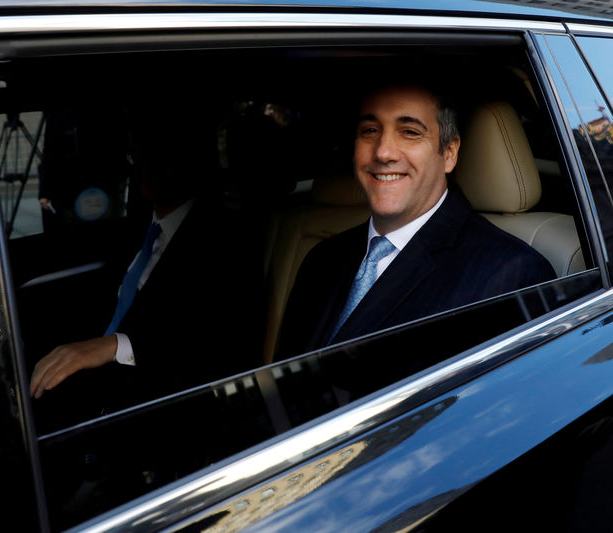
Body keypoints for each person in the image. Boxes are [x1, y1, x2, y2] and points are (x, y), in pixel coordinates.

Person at [279, 83, 556, 358]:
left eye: (410, 132)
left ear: (448, 153)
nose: (383, 152)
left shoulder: (511, 276)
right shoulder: (322, 259)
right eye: (370, 131)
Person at [29, 104, 263, 416]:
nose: (144, 163)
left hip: (163, 409)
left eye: (158, 150)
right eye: (138, 152)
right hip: (98, 393)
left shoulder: (225, 238)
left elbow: (212, 341)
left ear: (189, 154)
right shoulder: (134, 231)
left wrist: (115, 346)